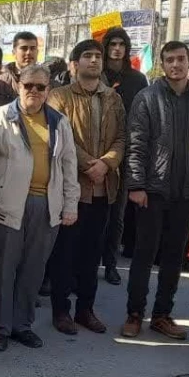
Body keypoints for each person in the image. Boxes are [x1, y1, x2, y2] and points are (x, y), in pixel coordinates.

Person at [0, 64, 80, 352]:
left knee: (33, 270)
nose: (34, 91)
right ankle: (0, 328)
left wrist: (70, 204)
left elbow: (69, 165)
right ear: (18, 85)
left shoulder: (59, 122)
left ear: (48, 90)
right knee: (3, 270)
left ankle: (22, 325)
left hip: (47, 207)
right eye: (28, 85)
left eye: (40, 87)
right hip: (6, 206)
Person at [121, 41, 189, 341]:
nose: (176, 65)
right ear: (162, 63)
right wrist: (136, 185)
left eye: (181, 59)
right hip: (152, 192)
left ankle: (161, 315)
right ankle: (134, 313)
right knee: (144, 256)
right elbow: (136, 144)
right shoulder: (147, 98)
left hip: (185, 192)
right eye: (169, 60)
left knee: (173, 259)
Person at [46, 40, 125, 335]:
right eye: (87, 56)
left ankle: (85, 309)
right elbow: (58, 137)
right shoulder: (59, 97)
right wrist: (88, 165)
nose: (93, 61)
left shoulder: (112, 98)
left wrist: (106, 164)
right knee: (65, 253)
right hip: (72, 189)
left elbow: (122, 138)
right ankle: (61, 310)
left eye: (97, 56)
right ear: (75, 63)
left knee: (92, 255)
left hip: (104, 187)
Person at [100, 26, 149, 284]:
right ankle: (85, 263)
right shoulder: (97, 75)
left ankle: (110, 263)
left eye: (121, 44)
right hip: (96, 152)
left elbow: (141, 118)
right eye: (112, 44)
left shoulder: (137, 80)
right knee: (91, 213)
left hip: (124, 153)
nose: (116, 49)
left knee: (116, 215)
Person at [0, 32, 39, 108]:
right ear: (14, 53)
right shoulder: (0, 84)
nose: (28, 52)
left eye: (32, 48)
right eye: (24, 48)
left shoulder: (48, 82)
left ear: (37, 52)